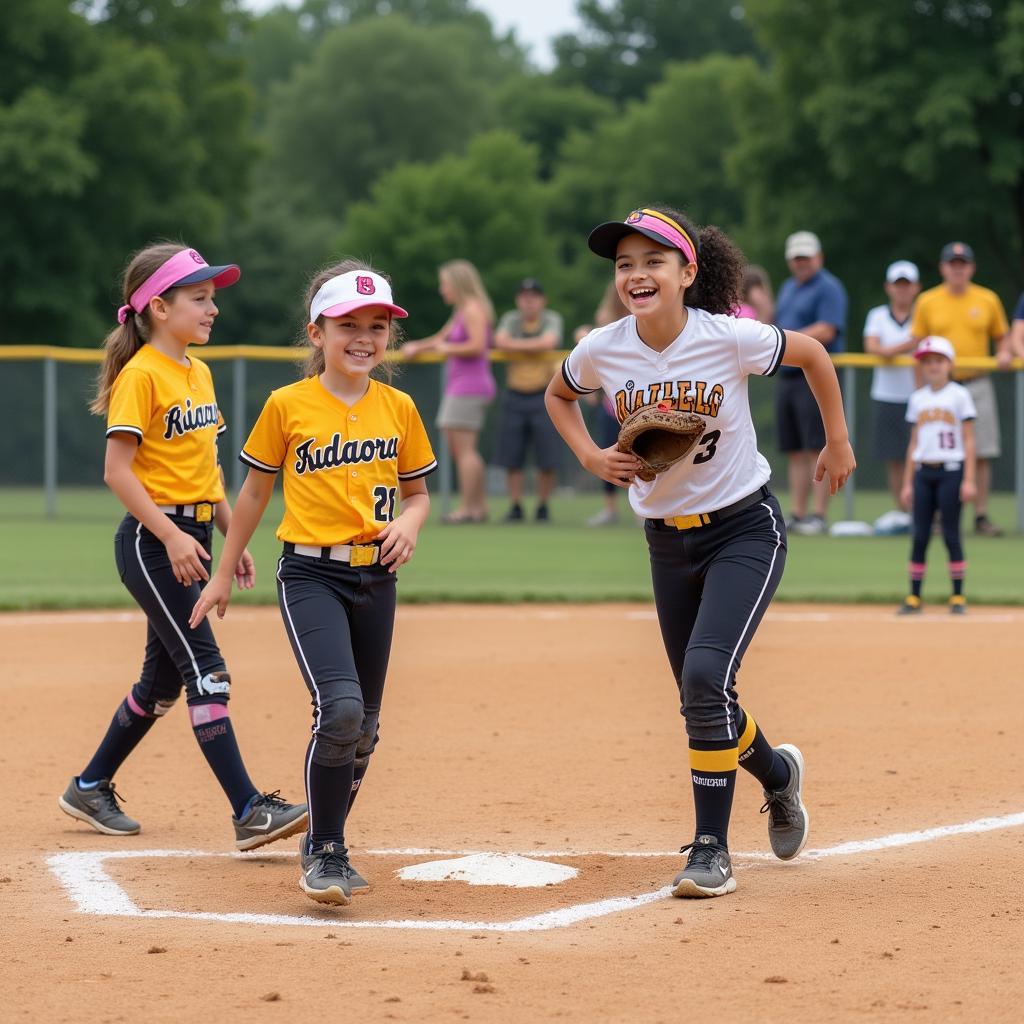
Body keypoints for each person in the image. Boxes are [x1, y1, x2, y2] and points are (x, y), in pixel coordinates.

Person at [546, 205, 855, 898]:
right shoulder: (603, 348)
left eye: (653, 261)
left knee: (704, 677)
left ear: (688, 272)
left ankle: (711, 849)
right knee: (703, 695)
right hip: (666, 542)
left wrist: (836, 439)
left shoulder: (728, 337)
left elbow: (812, 354)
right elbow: (558, 396)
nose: (636, 274)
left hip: (744, 527)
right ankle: (777, 776)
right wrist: (592, 457)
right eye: (624, 264)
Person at [190, 260, 435, 906]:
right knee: (342, 708)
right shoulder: (288, 405)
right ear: (316, 332)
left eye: (377, 325)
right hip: (309, 573)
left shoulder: (400, 408)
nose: (363, 337)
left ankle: (322, 837)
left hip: (376, 576)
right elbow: (252, 493)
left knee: (367, 727)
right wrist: (221, 572)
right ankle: (327, 851)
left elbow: (418, 495)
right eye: (347, 324)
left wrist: (411, 523)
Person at [59, 243, 307, 849]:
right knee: (208, 672)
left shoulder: (198, 372)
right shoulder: (142, 374)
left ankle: (90, 785)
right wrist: (170, 535)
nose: (211, 309)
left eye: (212, 298)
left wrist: (228, 533)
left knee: (161, 685)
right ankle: (248, 809)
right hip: (152, 540)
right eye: (199, 298)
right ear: (159, 307)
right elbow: (118, 471)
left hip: (190, 534)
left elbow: (206, 470)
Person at [909, 242, 1011, 536]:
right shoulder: (928, 301)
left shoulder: (987, 298)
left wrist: (1003, 352)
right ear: (943, 267)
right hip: (940, 385)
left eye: (962, 263)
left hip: (977, 381)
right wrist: (920, 391)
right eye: (952, 263)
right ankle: (942, 513)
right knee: (938, 450)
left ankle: (980, 515)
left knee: (980, 450)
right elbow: (918, 345)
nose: (957, 268)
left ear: (971, 267)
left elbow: (1001, 337)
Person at [402, 259, 495, 523]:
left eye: (444, 284)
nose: (442, 289)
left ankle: (469, 508)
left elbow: (477, 345)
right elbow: (439, 338)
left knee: (465, 451)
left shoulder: (472, 310)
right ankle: (477, 507)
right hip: (464, 385)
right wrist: (418, 346)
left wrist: (447, 350)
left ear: (457, 283)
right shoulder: (461, 311)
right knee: (464, 450)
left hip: (469, 386)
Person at [774, 231, 848, 535]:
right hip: (789, 375)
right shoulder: (788, 287)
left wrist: (784, 342)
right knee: (795, 449)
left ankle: (818, 514)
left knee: (817, 444)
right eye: (797, 258)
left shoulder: (829, 287)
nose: (801, 263)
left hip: (815, 376)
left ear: (818, 258)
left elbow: (827, 330)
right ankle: (798, 512)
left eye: (806, 257)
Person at [898, 337, 976, 615]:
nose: (933, 366)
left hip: (951, 472)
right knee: (920, 536)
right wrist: (907, 483)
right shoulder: (917, 398)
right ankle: (914, 597)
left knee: (951, 534)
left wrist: (969, 479)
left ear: (950, 365)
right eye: (927, 361)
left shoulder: (959, 395)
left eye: (939, 361)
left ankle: (957, 596)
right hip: (923, 473)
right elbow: (913, 443)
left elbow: (968, 440)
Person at [493, 279, 565, 522]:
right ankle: (516, 505)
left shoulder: (551, 318)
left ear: (542, 300)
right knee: (512, 455)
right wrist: (532, 347)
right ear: (518, 300)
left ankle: (543, 505)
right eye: (524, 296)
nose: (529, 301)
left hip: (544, 395)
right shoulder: (511, 319)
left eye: (533, 296)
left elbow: (549, 342)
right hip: (515, 393)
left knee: (547, 455)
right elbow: (499, 341)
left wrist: (517, 347)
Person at [863, 260, 921, 508]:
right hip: (886, 395)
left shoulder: (923, 315)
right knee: (894, 458)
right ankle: (902, 510)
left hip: (918, 396)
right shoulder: (877, 315)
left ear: (916, 287)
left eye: (907, 285)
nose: (902, 290)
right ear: (889, 287)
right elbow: (873, 348)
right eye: (898, 285)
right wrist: (910, 345)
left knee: (920, 456)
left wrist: (890, 351)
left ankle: (923, 510)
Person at [574, 282, 630, 527]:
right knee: (611, 455)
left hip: (642, 404)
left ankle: (643, 511)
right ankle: (610, 508)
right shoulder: (606, 320)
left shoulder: (644, 319)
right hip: (613, 405)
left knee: (642, 456)